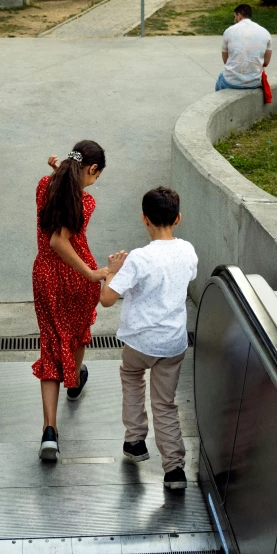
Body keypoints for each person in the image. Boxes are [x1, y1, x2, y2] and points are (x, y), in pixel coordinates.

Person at [100, 187, 198, 490]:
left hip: (140, 342)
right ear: (178, 218)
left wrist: (112, 272)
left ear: (145, 219)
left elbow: (107, 299)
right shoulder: (188, 251)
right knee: (165, 403)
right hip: (172, 343)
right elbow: (186, 278)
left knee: (131, 377)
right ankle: (174, 470)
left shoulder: (140, 258)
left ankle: (135, 441)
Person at [33, 140, 108, 461]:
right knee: (76, 333)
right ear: (91, 169)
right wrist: (91, 274)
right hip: (75, 277)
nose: (95, 182)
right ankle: (74, 383)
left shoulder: (44, 186)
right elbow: (59, 240)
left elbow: (57, 198)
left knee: (51, 345)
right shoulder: (85, 202)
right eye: (96, 176)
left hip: (45, 277)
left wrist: (57, 174)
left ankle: (50, 431)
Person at [215, 3, 272, 91]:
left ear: (239, 15)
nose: (234, 20)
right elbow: (266, 62)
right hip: (254, 83)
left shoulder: (229, 31)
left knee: (221, 78)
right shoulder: (265, 33)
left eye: (235, 17)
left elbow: (226, 61)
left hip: (231, 82)